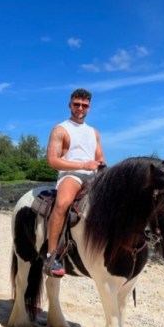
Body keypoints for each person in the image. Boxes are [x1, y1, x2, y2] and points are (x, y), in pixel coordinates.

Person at [43, 88, 105, 277]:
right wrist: (83, 165)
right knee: (62, 204)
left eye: (84, 105)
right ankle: (51, 255)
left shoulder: (93, 132)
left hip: (93, 175)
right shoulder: (60, 129)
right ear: (70, 105)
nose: (80, 108)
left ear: (89, 107)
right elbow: (52, 160)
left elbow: (100, 157)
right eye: (76, 104)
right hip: (71, 175)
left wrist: (102, 167)